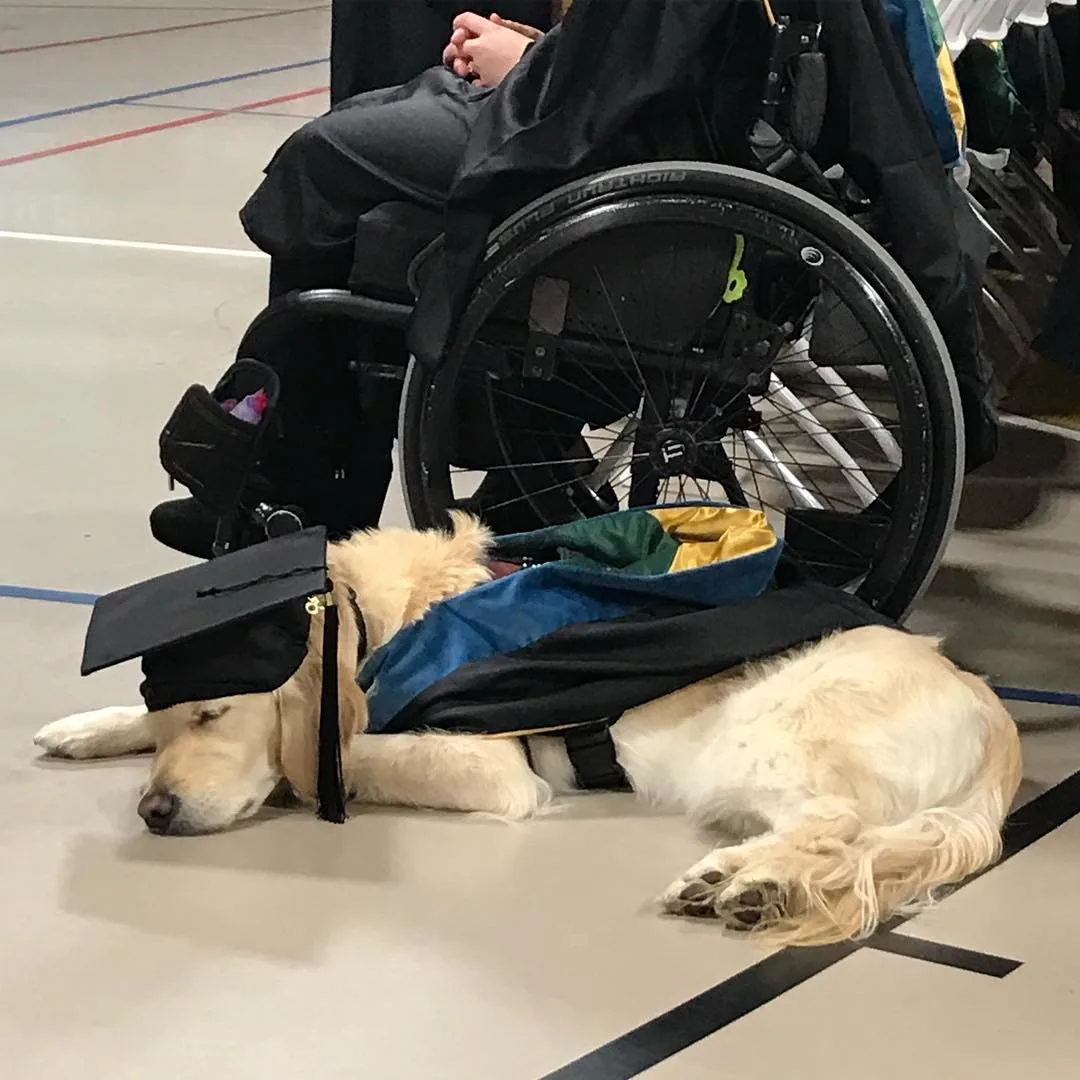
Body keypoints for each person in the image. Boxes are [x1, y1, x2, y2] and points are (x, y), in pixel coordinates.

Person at [152, 8, 567, 557]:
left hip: (571, 112)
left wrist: (537, 63)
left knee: (325, 165)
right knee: (377, 114)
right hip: (574, 90)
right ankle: (303, 466)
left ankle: (302, 478)